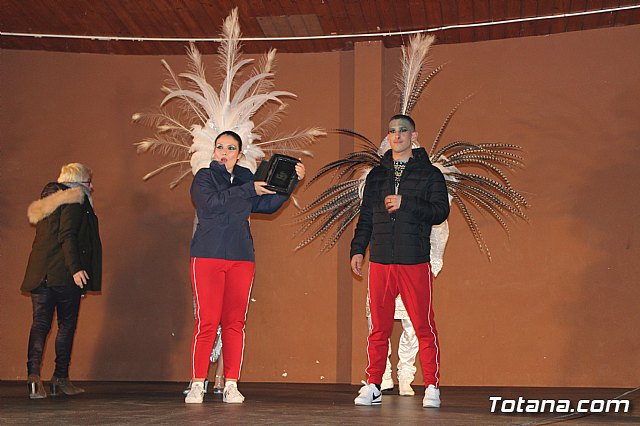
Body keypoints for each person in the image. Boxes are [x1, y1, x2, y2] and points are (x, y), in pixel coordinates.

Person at [184, 131, 305, 404]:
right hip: (207, 257)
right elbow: (212, 204)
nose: (224, 152)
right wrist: (248, 189)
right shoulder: (204, 177)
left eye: (230, 148)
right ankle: (197, 383)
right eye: (220, 147)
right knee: (207, 322)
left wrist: (293, 181)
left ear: (239, 153)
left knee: (235, 323)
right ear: (214, 151)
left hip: (241, 257)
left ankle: (231, 383)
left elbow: (268, 205)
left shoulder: (245, 179)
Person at [351, 115, 450, 408]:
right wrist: (358, 249)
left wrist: (406, 202)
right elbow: (366, 216)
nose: (397, 135)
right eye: (392, 131)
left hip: (413, 260)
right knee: (378, 329)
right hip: (381, 260)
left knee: (423, 326)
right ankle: (373, 383)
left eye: (402, 131)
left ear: (413, 135)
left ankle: (432, 385)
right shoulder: (377, 176)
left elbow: (440, 212)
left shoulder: (430, 174)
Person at [21, 163, 102, 399]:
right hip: (64, 275)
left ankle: (34, 378)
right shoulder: (75, 199)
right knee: (66, 325)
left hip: (41, 273)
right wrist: (77, 270)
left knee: (40, 324)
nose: (91, 187)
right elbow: (68, 236)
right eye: (89, 182)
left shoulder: (49, 202)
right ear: (78, 183)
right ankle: (60, 377)